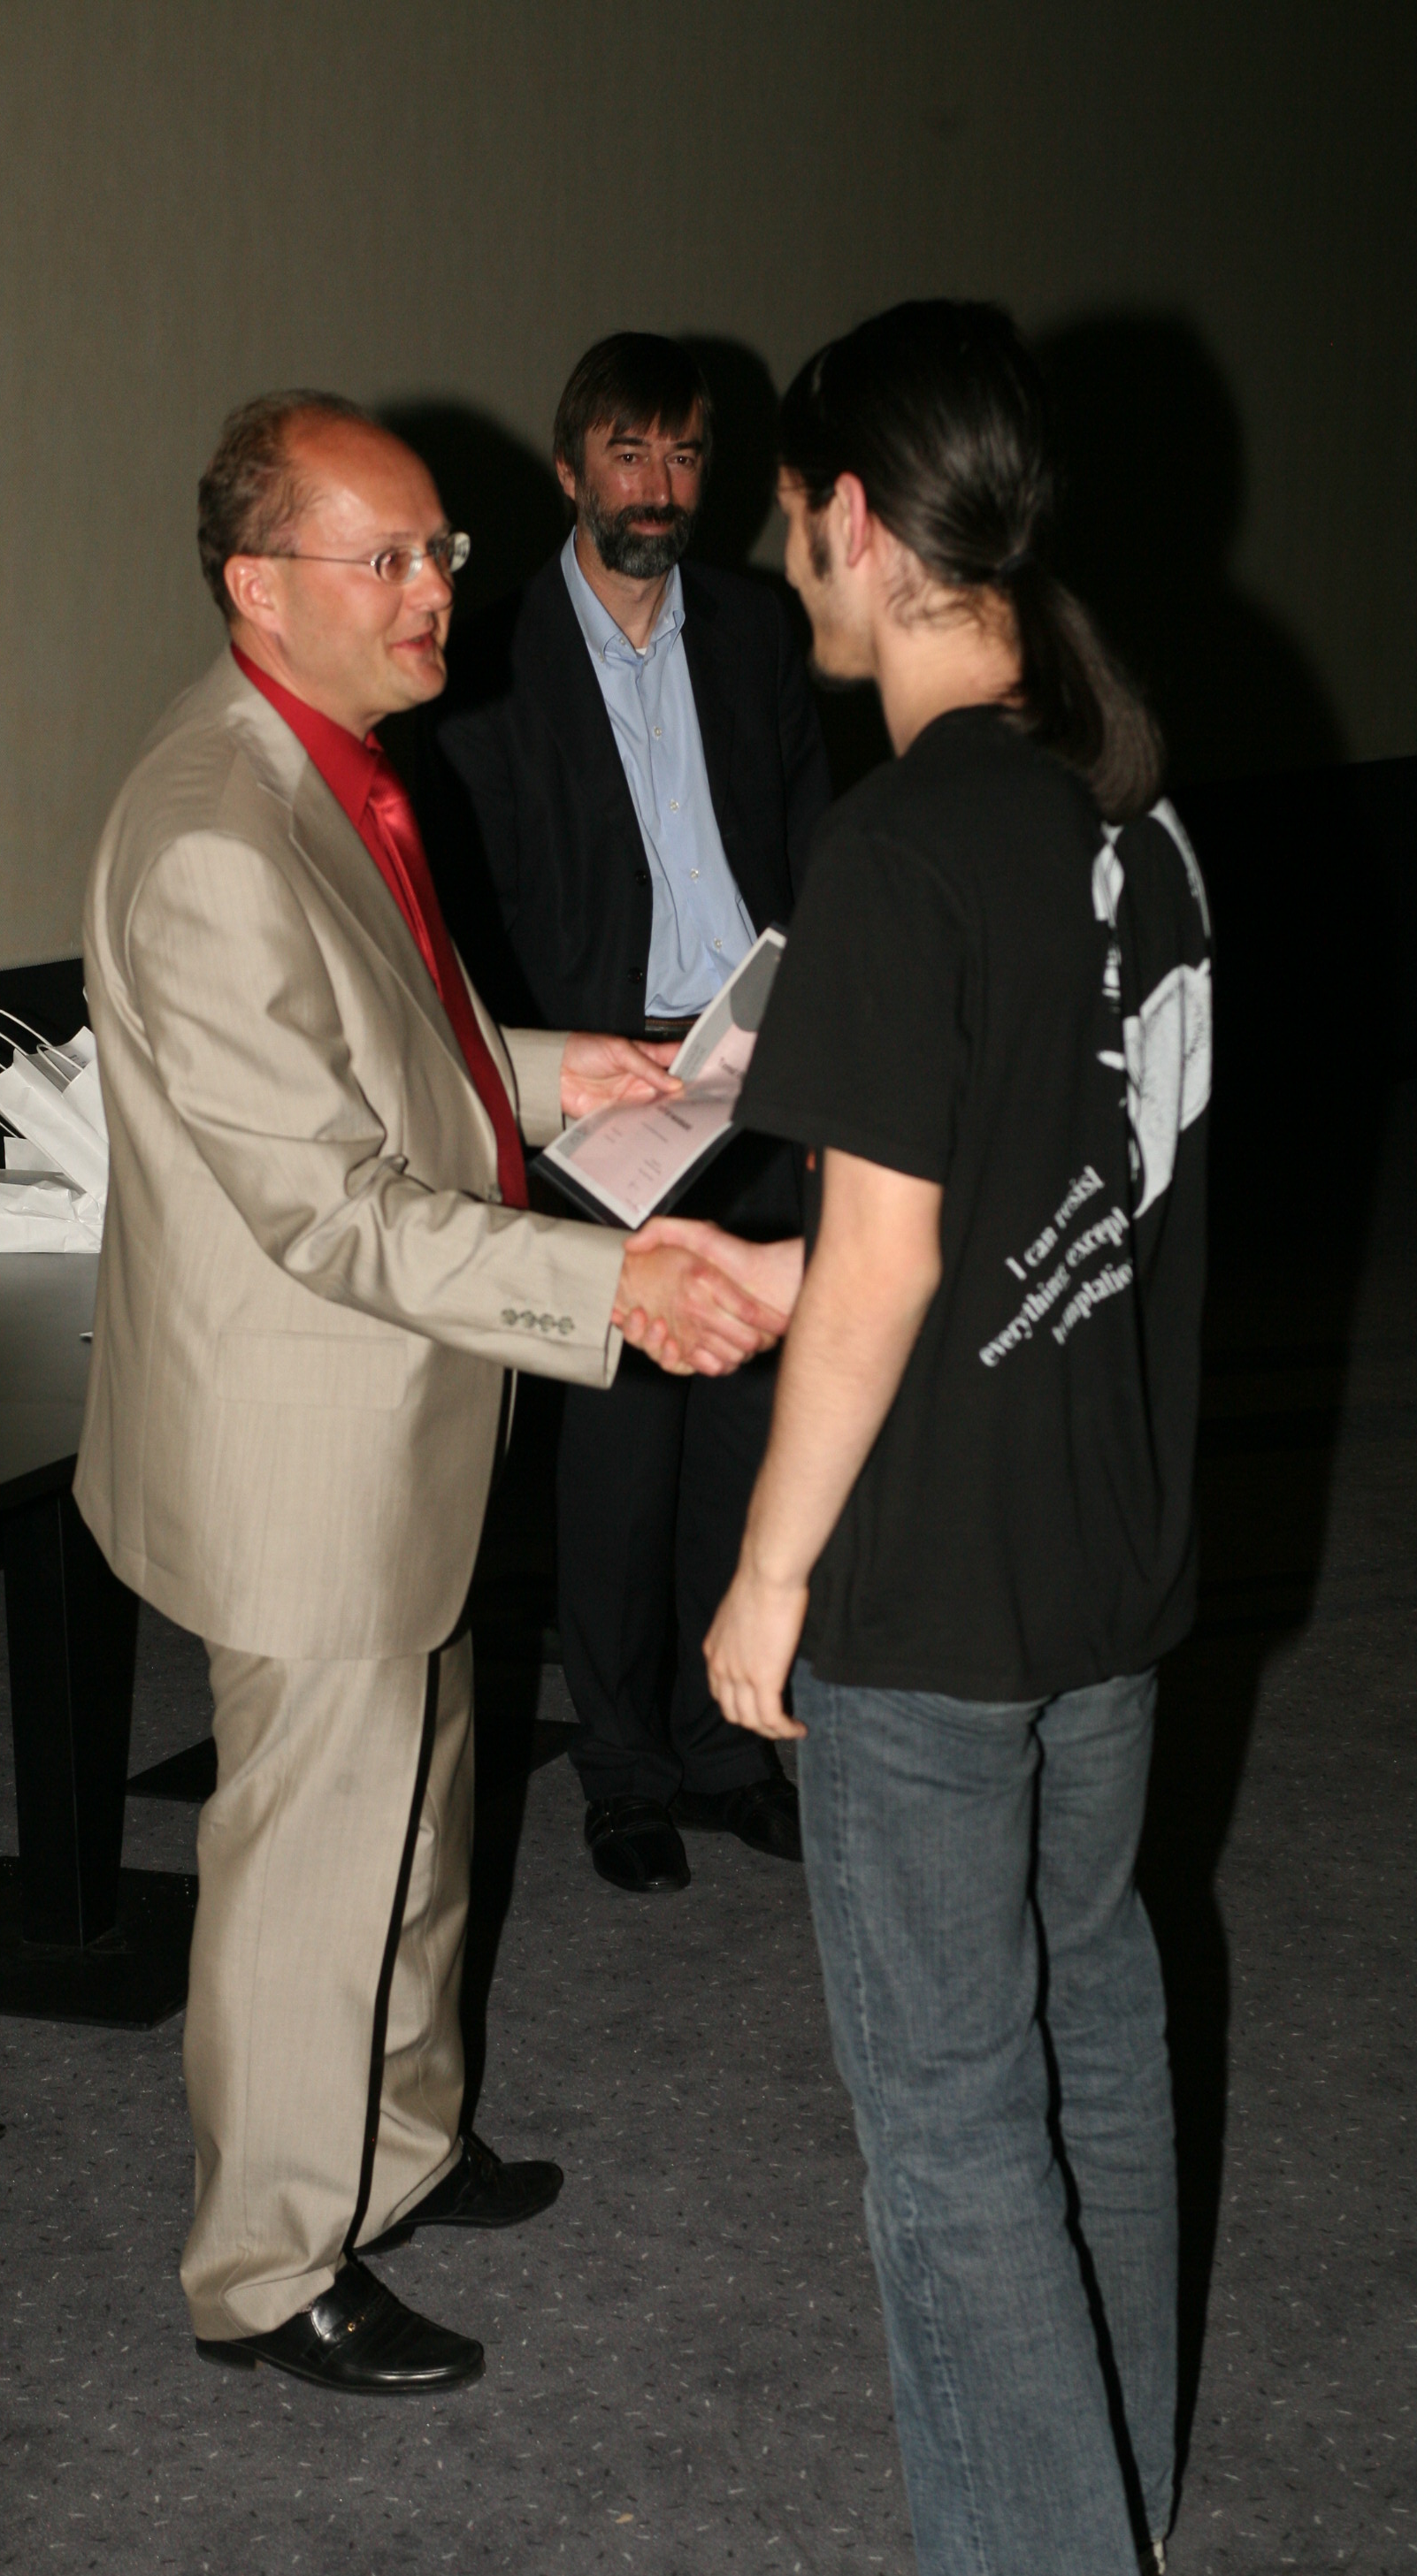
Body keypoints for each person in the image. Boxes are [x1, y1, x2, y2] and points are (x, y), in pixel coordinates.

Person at [74, 390, 783, 2398]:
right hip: (308, 1441)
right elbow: (331, 1208)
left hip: (401, 1420)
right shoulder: (210, 836)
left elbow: (406, 1048)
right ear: (256, 584)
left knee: (420, 1814)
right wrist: (615, 1281)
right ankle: (266, 2263)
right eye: (384, 558)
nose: (434, 591)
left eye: (441, 552)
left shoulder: (325, 765)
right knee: (313, 1861)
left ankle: (388, 2146)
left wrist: (568, 1076)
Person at [701, 302, 1214, 2576]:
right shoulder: (1137, 820)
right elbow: (1062, 1180)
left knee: (949, 2100)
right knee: (1093, 2028)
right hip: (1109, 1552)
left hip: (929, 1587)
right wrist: (819, 1277)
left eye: (794, 517)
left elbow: (898, 1260)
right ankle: (1103, 2532)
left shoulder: (901, 843)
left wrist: (765, 1573)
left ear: (853, 522)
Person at [387, 334, 832, 1898]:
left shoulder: (760, 633)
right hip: (600, 1098)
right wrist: (543, 1084)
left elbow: (813, 844)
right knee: (620, 1462)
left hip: (758, 1074)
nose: (659, 488)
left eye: (685, 456)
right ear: (571, 469)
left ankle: (724, 1750)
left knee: (748, 1434)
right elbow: (468, 910)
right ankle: (625, 1767)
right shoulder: (492, 658)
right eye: (629, 455)